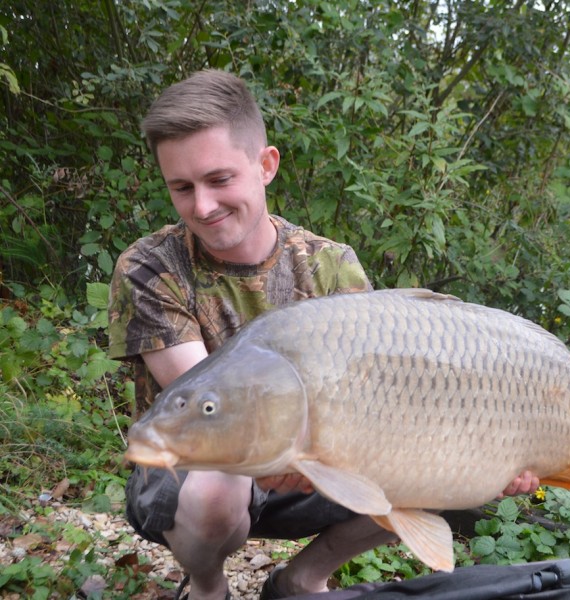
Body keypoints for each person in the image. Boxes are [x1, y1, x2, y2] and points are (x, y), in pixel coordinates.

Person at [108, 69, 540, 600]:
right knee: (219, 481)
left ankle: (302, 578)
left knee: (437, 463)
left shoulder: (330, 264)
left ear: (265, 166)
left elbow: (380, 404)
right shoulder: (150, 267)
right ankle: (206, 585)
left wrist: (495, 458)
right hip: (200, 473)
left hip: (317, 458)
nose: (203, 206)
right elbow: (208, 420)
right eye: (182, 187)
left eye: (219, 180)